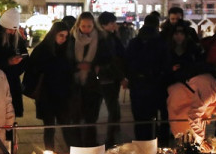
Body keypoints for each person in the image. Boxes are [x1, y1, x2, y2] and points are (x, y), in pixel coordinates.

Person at [23, 21, 72, 151]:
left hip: (62, 95)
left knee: (66, 126)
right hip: (47, 95)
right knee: (49, 128)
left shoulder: (66, 49)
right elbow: (32, 71)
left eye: (66, 36)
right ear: (54, 34)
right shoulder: (42, 49)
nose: (63, 39)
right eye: (61, 35)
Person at [125, 14, 173, 143]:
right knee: (161, 117)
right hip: (157, 84)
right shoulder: (161, 42)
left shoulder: (134, 42)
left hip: (137, 84)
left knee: (140, 119)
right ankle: (161, 143)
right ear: (157, 26)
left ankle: (142, 144)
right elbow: (166, 63)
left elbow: (127, 62)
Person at [66, 12, 110, 147]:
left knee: (91, 116)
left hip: (92, 82)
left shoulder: (101, 38)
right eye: (83, 26)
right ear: (78, 25)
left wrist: (94, 66)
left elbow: (107, 58)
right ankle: (77, 145)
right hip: (75, 82)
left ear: (93, 26)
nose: (86, 29)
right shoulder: (72, 38)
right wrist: (76, 66)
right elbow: (67, 59)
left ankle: (91, 144)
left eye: (89, 26)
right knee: (76, 116)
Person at [0, 8, 28, 117]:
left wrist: (20, 62)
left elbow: (25, 57)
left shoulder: (16, 37)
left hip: (13, 82)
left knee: (11, 115)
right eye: (10, 30)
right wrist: (8, 62)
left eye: (15, 30)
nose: (13, 32)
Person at [96, 12, 128, 146]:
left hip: (109, 77)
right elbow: (112, 59)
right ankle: (110, 138)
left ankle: (112, 133)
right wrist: (121, 76)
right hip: (107, 77)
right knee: (112, 108)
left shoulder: (111, 37)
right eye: (112, 23)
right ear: (104, 25)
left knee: (112, 106)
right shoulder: (106, 39)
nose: (115, 25)